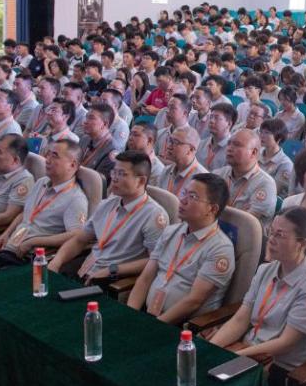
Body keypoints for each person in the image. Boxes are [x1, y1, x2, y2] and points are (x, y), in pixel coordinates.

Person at [210, 207, 306, 386]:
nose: (271, 239)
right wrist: (212, 349)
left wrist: (236, 356)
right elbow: (241, 319)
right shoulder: (265, 270)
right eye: (271, 231)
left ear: (302, 244)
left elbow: (285, 343)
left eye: (279, 235)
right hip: (248, 352)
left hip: (279, 370)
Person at [126, 172, 236, 324]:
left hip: (183, 326)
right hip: (147, 314)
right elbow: (145, 279)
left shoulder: (220, 249)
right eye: (184, 193)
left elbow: (194, 301)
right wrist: (129, 315)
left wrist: (154, 326)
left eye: (193, 197)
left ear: (212, 209)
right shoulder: (171, 232)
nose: (182, 200)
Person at [48, 150, 169, 287]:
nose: (115, 179)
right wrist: (57, 261)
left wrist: (113, 270)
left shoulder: (153, 215)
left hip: (111, 281)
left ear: (141, 181)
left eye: (121, 174)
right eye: (114, 172)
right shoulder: (108, 204)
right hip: (86, 271)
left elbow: (154, 261)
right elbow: (79, 240)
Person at [0, 139, 89, 266]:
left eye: (54, 156)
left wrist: (34, 242)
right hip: (9, 247)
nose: (47, 160)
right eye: (48, 154)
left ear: (72, 164)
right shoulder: (41, 182)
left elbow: (76, 235)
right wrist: (6, 233)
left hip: (28, 257)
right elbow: (25, 214)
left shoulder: (75, 198)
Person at [214, 129, 277, 226]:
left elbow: (246, 222)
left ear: (253, 152)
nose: (229, 148)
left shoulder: (265, 184)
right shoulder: (218, 174)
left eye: (237, 145)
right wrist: (240, 212)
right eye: (229, 144)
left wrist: (216, 208)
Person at [155, 126, 207, 196]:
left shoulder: (202, 179)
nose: (169, 146)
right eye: (170, 140)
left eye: (175, 142)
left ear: (191, 149)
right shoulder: (166, 171)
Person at [78, 103, 117, 182]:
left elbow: (99, 182)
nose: (85, 122)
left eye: (91, 118)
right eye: (86, 117)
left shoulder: (112, 150)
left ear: (105, 124)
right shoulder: (84, 139)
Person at [258, 118, 294, 197]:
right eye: (261, 132)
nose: (262, 136)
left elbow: (274, 190)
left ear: (279, 138)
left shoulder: (285, 164)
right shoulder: (257, 153)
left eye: (267, 133)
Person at [197, 103, 236, 170]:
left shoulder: (233, 150)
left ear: (229, 124)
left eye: (216, 118)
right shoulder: (201, 144)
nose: (211, 121)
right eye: (211, 117)